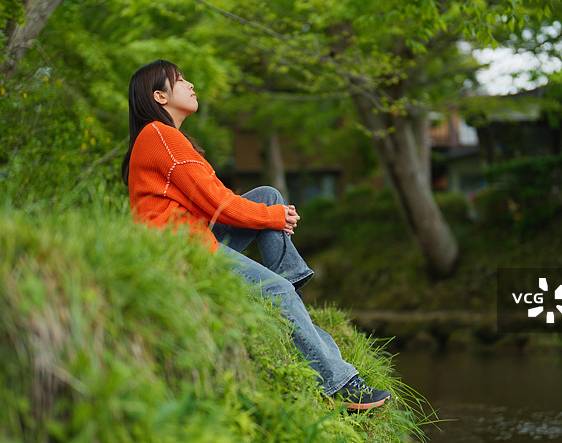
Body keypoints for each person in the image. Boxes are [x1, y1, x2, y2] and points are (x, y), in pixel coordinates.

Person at [121, 59, 390, 411]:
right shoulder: (160, 135)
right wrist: (275, 218)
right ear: (160, 96)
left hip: (192, 238)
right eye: (180, 80)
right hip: (181, 252)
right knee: (276, 282)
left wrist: (272, 213)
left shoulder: (165, 137)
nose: (190, 84)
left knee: (267, 195)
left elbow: (218, 202)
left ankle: (290, 291)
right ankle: (341, 387)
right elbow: (220, 204)